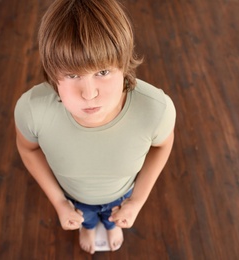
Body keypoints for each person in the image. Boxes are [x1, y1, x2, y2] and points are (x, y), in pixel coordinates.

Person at [14, 0, 176, 254]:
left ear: (123, 64)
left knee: (114, 216)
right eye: (72, 74)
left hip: (123, 193)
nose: (89, 94)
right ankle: (88, 226)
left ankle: (111, 225)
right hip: (72, 197)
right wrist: (59, 202)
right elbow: (28, 149)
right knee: (85, 218)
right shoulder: (32, 110)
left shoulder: (156, 110)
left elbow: (162, 146)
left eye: (102, 71)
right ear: (53, 72)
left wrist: (136, 201)